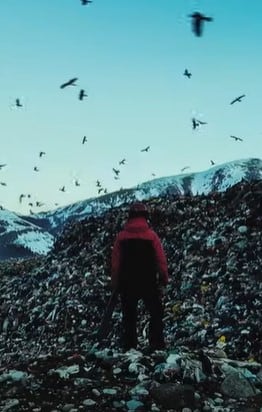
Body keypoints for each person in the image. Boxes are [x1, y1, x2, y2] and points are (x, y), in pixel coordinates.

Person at [111, 202, 169, 351]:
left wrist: (115, 282)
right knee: (155, 312)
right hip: (148, 281)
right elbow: (161, 259)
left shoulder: (121, 237)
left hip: (127, 283)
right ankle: (156, 344)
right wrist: (164, 277)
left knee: (129, 316)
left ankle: (130, 346)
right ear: (145, 217)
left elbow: (115, 263)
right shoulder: (151, 236)